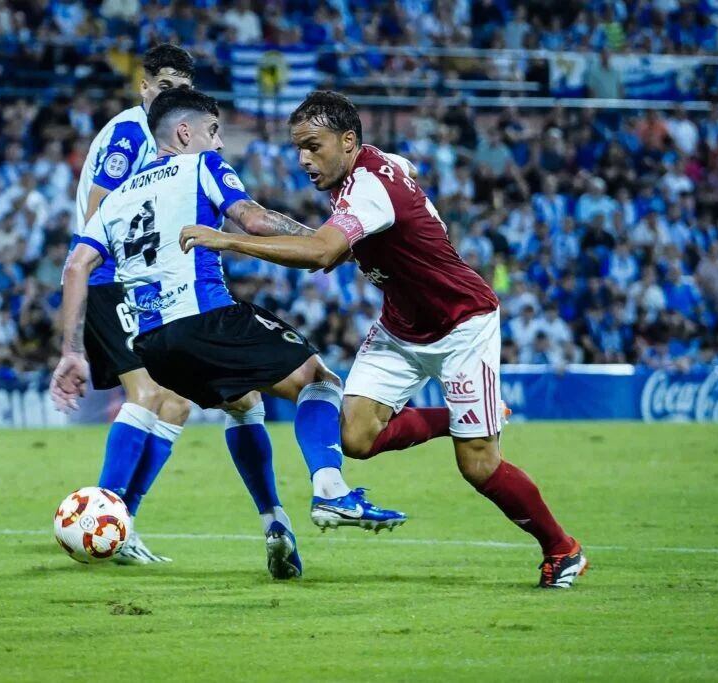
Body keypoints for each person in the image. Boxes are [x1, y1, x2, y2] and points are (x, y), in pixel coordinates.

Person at [181, 91, 586, 588]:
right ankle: (461, 420)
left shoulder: (368, 188)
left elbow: (322, 256)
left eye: (314, 146)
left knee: (478, 466)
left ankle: (561, 549)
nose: (304, 159)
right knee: (354, 436)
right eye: (298, 149)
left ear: (349, 142)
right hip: (401, 326)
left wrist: (229, 239)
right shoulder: (372, 167)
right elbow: (405, 167)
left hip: (462, 324)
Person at [52, 87, 407, 580]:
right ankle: (331, 490)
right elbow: (255, 220)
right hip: (207, 320)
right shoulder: (200, 167)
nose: (218, 143)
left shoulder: (115, 200)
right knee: (320, 382)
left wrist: (71, 352)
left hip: (156, 348)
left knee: (245, 404)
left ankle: (276, 524)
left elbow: (76, 267)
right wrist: (332, 241)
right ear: (184, 134)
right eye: (213, 131)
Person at [66, 44, 196, 565]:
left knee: (178, 400)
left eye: (182, 91)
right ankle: (103, 522)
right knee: (146, 392)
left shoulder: (172, 141)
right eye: (164, 87)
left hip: (144, 285)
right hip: (109, 280)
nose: (172, 98)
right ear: (144, 87)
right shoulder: (130, 133)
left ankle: (124, 523)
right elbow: (100, 210)